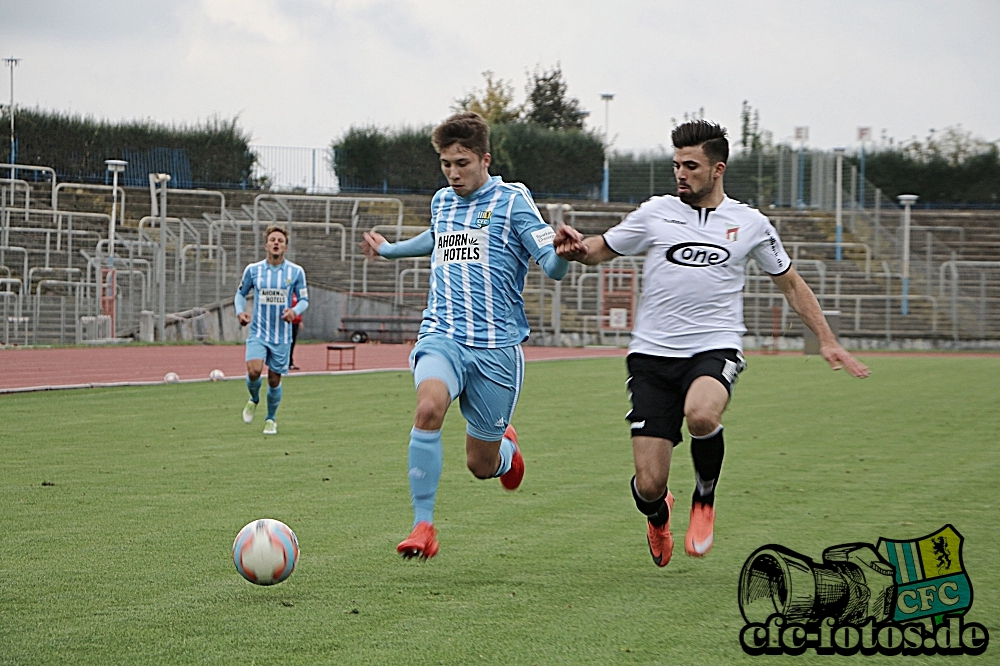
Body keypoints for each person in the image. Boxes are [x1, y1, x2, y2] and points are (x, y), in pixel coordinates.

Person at [555, 120, 869, 568]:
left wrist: (827, 340)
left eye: (691, 165)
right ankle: (659, 512)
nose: (681, 173)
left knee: (702, 414)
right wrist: (576, 247)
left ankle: (705, 498)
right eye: (676, 165)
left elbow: (792, 285)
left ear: (717, 169)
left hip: (713, 346)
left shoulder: (750, 224)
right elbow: (601, 248)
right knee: (648, 484)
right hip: (650, 355)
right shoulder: (655, 212)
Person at [361, 112, 583, 560]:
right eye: (445, 163)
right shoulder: (443, 201)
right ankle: (423, 526)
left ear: (484, 158)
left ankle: (505, 452)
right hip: (441, 335)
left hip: (497, 349)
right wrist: (390, 251)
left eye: (461, 163)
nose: (452, 172)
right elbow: (436, 236)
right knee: (428, 407)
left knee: (480, 466)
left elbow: (551, 265)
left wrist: (564, 253)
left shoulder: (513, 201)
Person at [236, 225, 309, 435]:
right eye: (273, 240)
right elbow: (240, 294)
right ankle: (254, 398)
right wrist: (241, 312)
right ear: (266, 244)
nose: (276, 243)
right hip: (258, 332)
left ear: (285, 247)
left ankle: (271, 418)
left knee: (274, 379)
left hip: (282, 335)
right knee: (254, 371)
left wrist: (294, 311)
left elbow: (304, 299)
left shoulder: (295, 272)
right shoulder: (253, 270)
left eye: (280, 240)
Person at [289, 292, 302, 370]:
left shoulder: (296, 295)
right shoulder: (288, 295)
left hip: (295, 322)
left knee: (292, 343)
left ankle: (290, 362)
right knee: (287, 343)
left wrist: (300, 321)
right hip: (288, 322)